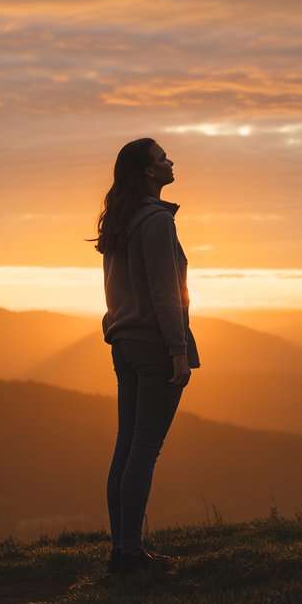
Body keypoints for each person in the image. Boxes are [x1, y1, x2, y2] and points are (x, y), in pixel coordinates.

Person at [94, 137, 200, 574]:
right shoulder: (155, 220)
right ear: (148, 173)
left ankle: (123, 550)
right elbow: (164, 291)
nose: (170, 161)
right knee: (143, 450)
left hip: (125, 343)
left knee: (127, 447)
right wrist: (178, 348)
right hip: (155, 344)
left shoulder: (122, 220)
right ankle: (132, 556)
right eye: (162, 158)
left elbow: (116, 288)